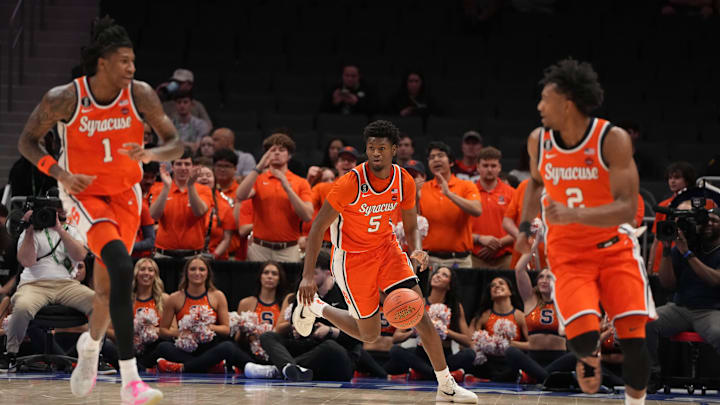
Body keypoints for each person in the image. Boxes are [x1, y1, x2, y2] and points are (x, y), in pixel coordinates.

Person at [16, 17, 182, 403]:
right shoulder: (65, 97)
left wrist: (152, 153)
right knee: (124, 267)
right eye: (125, 61)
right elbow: (27, 141)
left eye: (134, 61)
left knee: (108, 292)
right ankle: (131, 382)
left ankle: (89, 349)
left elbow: (174, 143)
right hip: (85, 197)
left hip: (127, 195)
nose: (132, 69)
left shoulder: (140, 94)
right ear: (103, 63)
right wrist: (57, 171)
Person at [295, 120, 478, 403]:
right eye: (371, 148)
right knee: (369, 335)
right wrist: (308, 277)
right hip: (352, 259)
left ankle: (446, 385)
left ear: (394, 149)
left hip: (387, 250)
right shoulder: (349, 183)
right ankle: (317, 307)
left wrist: (416, 249)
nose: (376, 153)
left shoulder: (403, 179)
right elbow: (318, 227)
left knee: (421, 316)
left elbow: (412, 224)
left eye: (382, 148)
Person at [515, 58, 654, 404]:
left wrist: (575, 212)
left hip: (613, 249)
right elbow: (534, 184)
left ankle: (634, 402)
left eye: (545, 99)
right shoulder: (539, 140)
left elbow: (627, 206)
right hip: (568, 256)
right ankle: (587, 352)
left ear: (567, 102)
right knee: (580, 337)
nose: (539, 107)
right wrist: (523, 228)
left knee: (634, 342)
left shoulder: (612, 139)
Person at [0, 205, 91, 373]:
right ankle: (10, 353)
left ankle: (94, 357)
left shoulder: (72, 230)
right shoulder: (30, 231)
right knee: (22, 307)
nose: (61, 209)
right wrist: (29, 229)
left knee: (99, 303)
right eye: (56, 207)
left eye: (64, 205)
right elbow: (26, 261)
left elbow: (80, 256)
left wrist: (59, 229)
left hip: (67, 284)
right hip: (34, 285)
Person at [251, 251, 365, 381]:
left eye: (314, 273)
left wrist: (331, 331)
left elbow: (360, 336)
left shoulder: (345, 294)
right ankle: (289, 368)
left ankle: (279, 369)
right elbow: (295, 323)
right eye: (306, 274)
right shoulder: (303, 291)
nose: (308, 278)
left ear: (328, 273)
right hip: (309, 348)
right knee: (268, 336)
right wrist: (297, 330)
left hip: (339, 356)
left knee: (330, 347)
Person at [646, 199, 720, 390]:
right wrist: (667, 252)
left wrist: (687, 254)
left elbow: (715, 280)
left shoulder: (692, 249)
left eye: (715, 220)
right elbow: (667, 284)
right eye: (707, 220)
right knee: (645, 322)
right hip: (680, 308)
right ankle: (651, 374)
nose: (710, 224)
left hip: (710, 310)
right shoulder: (686, 243)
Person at [155, 256, 251, 373]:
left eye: (201, 269)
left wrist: (208, 328)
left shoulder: (217, 296)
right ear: (186, 273)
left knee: (228, 347)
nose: (197, 273)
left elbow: (226, 329)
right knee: (163, 347)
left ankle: (184, 367)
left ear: (208, 274)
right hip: (186, 347)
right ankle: (210, 366)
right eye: (193, 269)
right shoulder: (174, 298)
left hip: (209, 347)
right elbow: (163, 331)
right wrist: (182, 332)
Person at [384, 266, 474, 380]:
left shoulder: (456, 307)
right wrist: (414, 332)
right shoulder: (418, 303)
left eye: (444, 275)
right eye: (437, 273)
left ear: (450, 285)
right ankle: (439, 375)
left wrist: (444, 331)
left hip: (444, 355)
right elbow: (396, 338)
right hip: (420, 354)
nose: (438, 275)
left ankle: (423, 373)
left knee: (469, 354)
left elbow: (468, 341)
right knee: (395, 351)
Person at [236, 132, 313, 263]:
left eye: (282, 150)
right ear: (266, 154)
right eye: (272, 150)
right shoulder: (258, 179)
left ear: (289, 155)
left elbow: (307, 215)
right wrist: (259, 166)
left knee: (289, 283)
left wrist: (287, 188)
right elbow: (240, 195)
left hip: (289, 249)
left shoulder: (300, 182)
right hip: (260, 248)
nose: (276, 153)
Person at [504, 246, 575, 384]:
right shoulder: (530, 299)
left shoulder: (564, 301)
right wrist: (533, 244)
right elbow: (519, 270)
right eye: (541, 277)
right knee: (511, 351)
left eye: (549, 277)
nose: (544, 280)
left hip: (558, 358)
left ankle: (534, 377)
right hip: (533, 358)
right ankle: (546, 378)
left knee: (577, 355)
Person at [420, 142, 482, 269]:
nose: (436, 159)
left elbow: (477, 210)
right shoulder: (422, 189)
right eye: (432, 157)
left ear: (451, 162)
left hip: (460, 261)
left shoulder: (467, 185)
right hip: (429, 260)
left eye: (440, 155)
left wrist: (449, 194)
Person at [150, 147, 213, 258]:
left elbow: (199, 212)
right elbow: (154, 215)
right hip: (164, 254)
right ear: (172, 167)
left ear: (192, 166)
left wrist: (190, 185)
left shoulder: (203, 189)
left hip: (193, 255)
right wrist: (166, 188)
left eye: (187, 164)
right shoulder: (159, 188)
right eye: (179, 164)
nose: (183, 168)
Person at [467, 276, 529, 382]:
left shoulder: (520, 316)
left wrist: (510, 344)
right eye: (493, 285)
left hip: (509, 361)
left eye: (501, 283)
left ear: (510, 292)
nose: (497, 286)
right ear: (490, 295)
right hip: (489, 361)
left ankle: (488, 379)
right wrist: (484, 344)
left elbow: (532, 345)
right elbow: (469, 342)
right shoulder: (483, 316)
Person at [647, 161, 697, 273]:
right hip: (661, 262)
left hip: (685, 260)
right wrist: (650, 266)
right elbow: (656, 240)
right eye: (670, 178)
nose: (672, 181)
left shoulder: (698, 205)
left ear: (687, 180)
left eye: (677, 177)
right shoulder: (663, 206)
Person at [472, 147, 515, 269]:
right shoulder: (468, 192)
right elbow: (459, 230)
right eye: (485, 165)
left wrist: (498, 244)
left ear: (499, 167)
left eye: (493, 165)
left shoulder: (512, 193)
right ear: (478, 167)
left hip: (505, 256)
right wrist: (480, 239)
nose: (489, 169)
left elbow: (520, 227)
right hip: (475, 257)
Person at [131, 258, 170, 370]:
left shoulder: (165, 299)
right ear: (136, 273)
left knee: (165, 346)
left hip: (154, 347)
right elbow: (109, 330)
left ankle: (141, 367)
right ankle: (144, 368)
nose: (146, 273)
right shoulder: (125, 299)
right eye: (142, 269)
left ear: (155, 275)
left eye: (150, 270)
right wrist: (130, 335)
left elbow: (173, 330)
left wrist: (152, 330)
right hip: (130, 347)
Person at [194, 163, 237, 260]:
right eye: (200, 175)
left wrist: (213, 256)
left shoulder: (225, 205)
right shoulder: (185, 200)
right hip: (189, 255)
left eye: (208, 175)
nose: (204, 178)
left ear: (215, 180)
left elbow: (227, 238)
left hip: (216, 259)